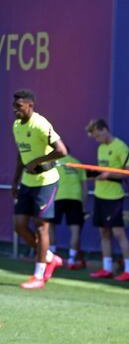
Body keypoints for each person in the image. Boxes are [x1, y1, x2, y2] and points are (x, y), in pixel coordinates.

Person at [11, 89, 68, 289]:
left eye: (18, 106)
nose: (15, 110)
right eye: (13, 106)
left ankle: (38, 275)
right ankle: (50, 257)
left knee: (41, 226)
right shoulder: (17, 126)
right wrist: (15, 181)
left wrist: (38, 161)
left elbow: (62, 151)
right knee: (19, 225)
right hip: (27, 182)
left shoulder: (41, 124)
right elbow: (21, 155)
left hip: (46, 181)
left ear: (30, 106)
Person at [85, 118, 129, 281]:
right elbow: (102, 171)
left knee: (118, 233)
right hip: (100, 195)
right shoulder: (100, 148)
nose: (97, 140)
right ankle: (106, 268)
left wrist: (109, 175)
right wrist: (96, 176)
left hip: (114, 197)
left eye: (98, 136)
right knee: (103, 233)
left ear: (105, 129)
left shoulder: (121, 146)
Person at [48, 152, 88, 270]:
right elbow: (84, 187)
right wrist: (83, 204)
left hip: (59, 197)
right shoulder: (77, 162)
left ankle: (52, 257)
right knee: (75, 230)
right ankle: (71, 259)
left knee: (50, 226)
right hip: (76, 199)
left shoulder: (54, 162)